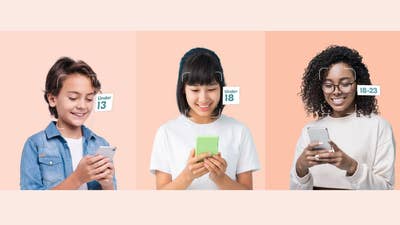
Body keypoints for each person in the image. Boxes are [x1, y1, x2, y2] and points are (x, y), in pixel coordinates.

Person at [150, 47, 260, 190]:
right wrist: (187, 176)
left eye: (212, 89)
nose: (203, 99)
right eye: (195, 90)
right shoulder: (166, 132)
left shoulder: (239, 131)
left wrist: (221, 179)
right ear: (183, 89)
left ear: (221, 88)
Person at [290, 45, 395, 190]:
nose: (336, 91)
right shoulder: (309, 129)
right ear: (320, 88)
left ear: (358, 85)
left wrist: (352, 167)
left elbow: (386, 189)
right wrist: (300, 168)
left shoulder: (378, 126)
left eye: (345, 84)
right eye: (328, 85)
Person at [20, 57, 116, 190]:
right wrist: (77, 178)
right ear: (52, 99)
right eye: (73, 98)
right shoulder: (35, 145)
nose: (82, 106)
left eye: (89, 98)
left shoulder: (100, 144)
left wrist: (108, 184)